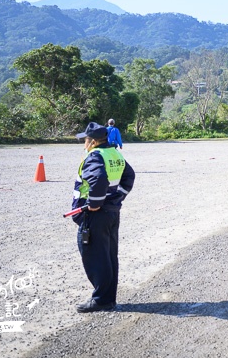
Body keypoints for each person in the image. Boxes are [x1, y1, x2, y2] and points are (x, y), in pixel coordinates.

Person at [71, 122, 135, 312]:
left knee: (95, 255)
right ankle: (107, 297)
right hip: (111, 212)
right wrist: (117, 197)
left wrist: (94, 204)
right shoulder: (114, 153)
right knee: (108, 254)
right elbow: (129, 176)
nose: (84, 143)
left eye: (85, 139)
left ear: (91, 142)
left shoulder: (95, 156)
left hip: (95, 215)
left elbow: (98, 179)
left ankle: (102, 299)